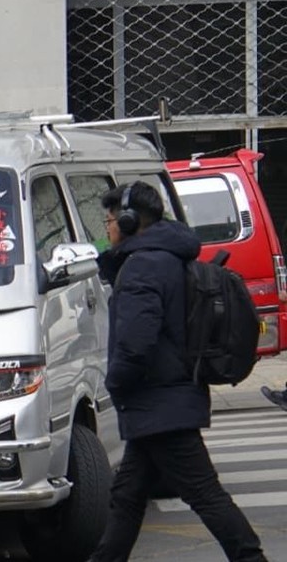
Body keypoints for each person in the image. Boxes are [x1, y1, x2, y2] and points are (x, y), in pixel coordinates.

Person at [89, 182, 266, 562]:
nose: (107, 229)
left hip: (158, 399)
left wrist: (116, 383)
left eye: (109, 220)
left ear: (129, 220)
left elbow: (136, 341)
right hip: (165, 397)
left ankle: (251, 558)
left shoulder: (142, 266)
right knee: (128, 496)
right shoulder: (166, 257)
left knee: (203, 492)